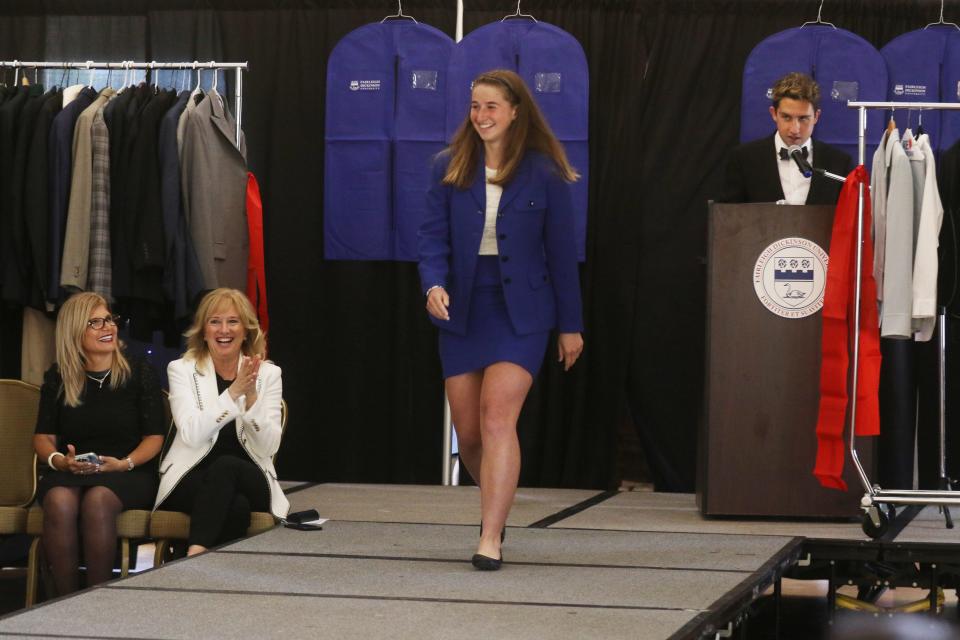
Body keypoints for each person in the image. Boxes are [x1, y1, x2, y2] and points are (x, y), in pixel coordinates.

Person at [418, 69, 584, 571]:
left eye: (491, 106)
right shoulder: (448, 167)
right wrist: (433, 285)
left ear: (515, 112)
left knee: (496, 417)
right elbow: (430, 239)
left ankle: (490, 537)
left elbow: (561, 254)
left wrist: (570, 325)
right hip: (464, 308)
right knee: (469, 434)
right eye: (474, 106)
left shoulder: (545, 173)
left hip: (524, 312)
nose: (481, 115)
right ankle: (498, 505)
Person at [33, 292, 165, 595]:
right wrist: (58, 461)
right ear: (75, 331)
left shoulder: (139, 373)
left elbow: (154, 437)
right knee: (58, 500)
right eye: (95, 322)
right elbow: (43, 437)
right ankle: (64, 600)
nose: (107, 327)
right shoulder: (59, 377)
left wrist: (124, 463)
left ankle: (97, 599)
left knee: (98, 499)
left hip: (128, 472)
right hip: (72, 470)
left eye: (109, 319)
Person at [154, 288, 288, 555]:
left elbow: (268, 447)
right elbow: (191, 434)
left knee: (227, 466)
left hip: (251, 475)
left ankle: (191, 558)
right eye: (214, 321)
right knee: (235, 507)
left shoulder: (269, 374)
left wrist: (251, 402)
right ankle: (216, 578)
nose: (223, 330)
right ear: (203, 331)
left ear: (246, 330)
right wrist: (233, 393)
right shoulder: (181, 369)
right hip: (191, 474)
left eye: (232, 321)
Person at [719, 71, 851, 205]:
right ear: (774, 113)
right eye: (786, 117)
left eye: (803, 118)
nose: (795, 129)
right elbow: (728, 217)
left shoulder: (839, 164)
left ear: (816, 116)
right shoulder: (743, 159)